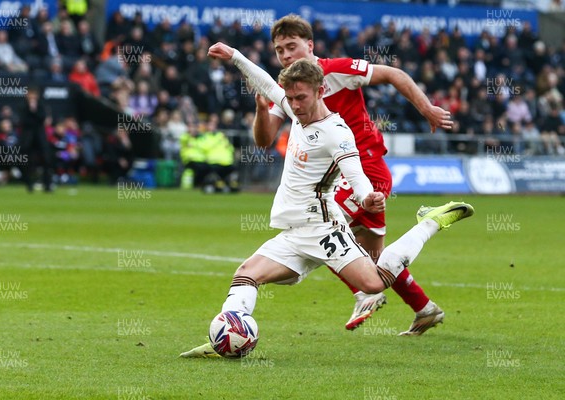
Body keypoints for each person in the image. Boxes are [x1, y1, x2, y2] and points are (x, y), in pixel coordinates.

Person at [180, 42, 473, 358]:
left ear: (321, 91)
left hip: (323, 228)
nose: (294, 105)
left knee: (374, 284)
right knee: (246, 274)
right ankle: (226, 338)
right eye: (290, 98)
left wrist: (366, 197)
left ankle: (431, 222)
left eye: (301, 98)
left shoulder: (336, 132)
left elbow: (355, 172)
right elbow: (265, 83)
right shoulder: (295, 109)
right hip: (294, 231)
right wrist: (235, 56)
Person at [252, 15, 454, 334]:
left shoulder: (337, 70)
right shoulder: (287, 91)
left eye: (292, 47)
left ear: (310, 45)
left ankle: (362, 293)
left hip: (366, 169)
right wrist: (262, 109)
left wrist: (426, 108)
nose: (286, 55)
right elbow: (264, 140)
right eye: (280, 51)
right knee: (373, 261)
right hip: (334, 181)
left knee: (321, 228)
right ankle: (424, 308)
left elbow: (393, 74)